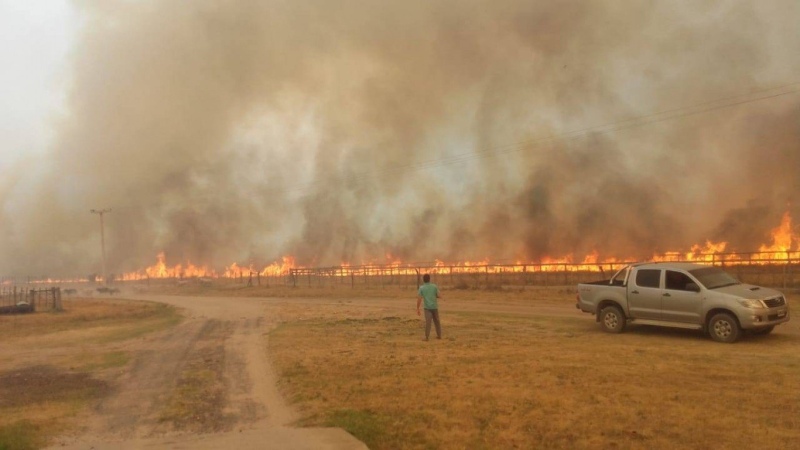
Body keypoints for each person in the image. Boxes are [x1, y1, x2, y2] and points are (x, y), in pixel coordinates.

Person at [417, 273, 442, 341]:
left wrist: (418, 308)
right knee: (437, 321)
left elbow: (419, 299)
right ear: (429, 279)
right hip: (434, 307)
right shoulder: (434, 286)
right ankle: (439, 335)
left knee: (428, 322)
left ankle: (426, 337)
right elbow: (439, 296)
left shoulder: (421, 288)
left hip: (427, 308)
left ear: (423, 280)